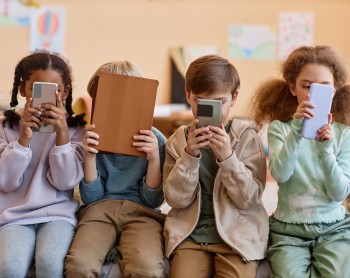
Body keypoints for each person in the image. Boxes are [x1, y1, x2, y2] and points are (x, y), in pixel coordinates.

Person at [163, 54, 269, 278]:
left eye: (220, 103)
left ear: (234, 97)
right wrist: (190, 155)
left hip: (237, 238)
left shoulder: (248, 137)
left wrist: (228, 157)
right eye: (200, 102)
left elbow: (249, 199)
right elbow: (176, 200)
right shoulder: (177, 141)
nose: (211, 110)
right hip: (190, 237)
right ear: (188, 95)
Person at [250, 45, 350, 277]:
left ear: (334, 89)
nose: (312, 93)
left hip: (334, 228)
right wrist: (297, 130)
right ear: (292, 88)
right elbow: (280, 175)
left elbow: (339, 193)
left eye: (323, 87)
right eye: (306, 86)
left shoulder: (343, 133)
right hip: (289, 230)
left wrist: (325, 150)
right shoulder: (280, 128)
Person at [65, 61, 167, 277]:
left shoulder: (155, 139)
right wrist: (90, 157)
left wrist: (154, 159)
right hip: (99, 209)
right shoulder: (89, 137)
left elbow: (153, 201)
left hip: (143, 213)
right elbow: (92, 198)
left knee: (146, 268)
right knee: (79, 266)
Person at [0, 50, 86, 277]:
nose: (47, 97)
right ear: (22, 89)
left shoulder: (77, 130)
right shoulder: (5, 127)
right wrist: (23, 139)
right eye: (36, 89)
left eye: (55, 90)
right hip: (14, 215)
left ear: (65, 91)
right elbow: (6, 183)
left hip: (57, 214)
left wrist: (62, 135)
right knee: (10, 267)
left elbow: (65, 181)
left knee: (50, 264)